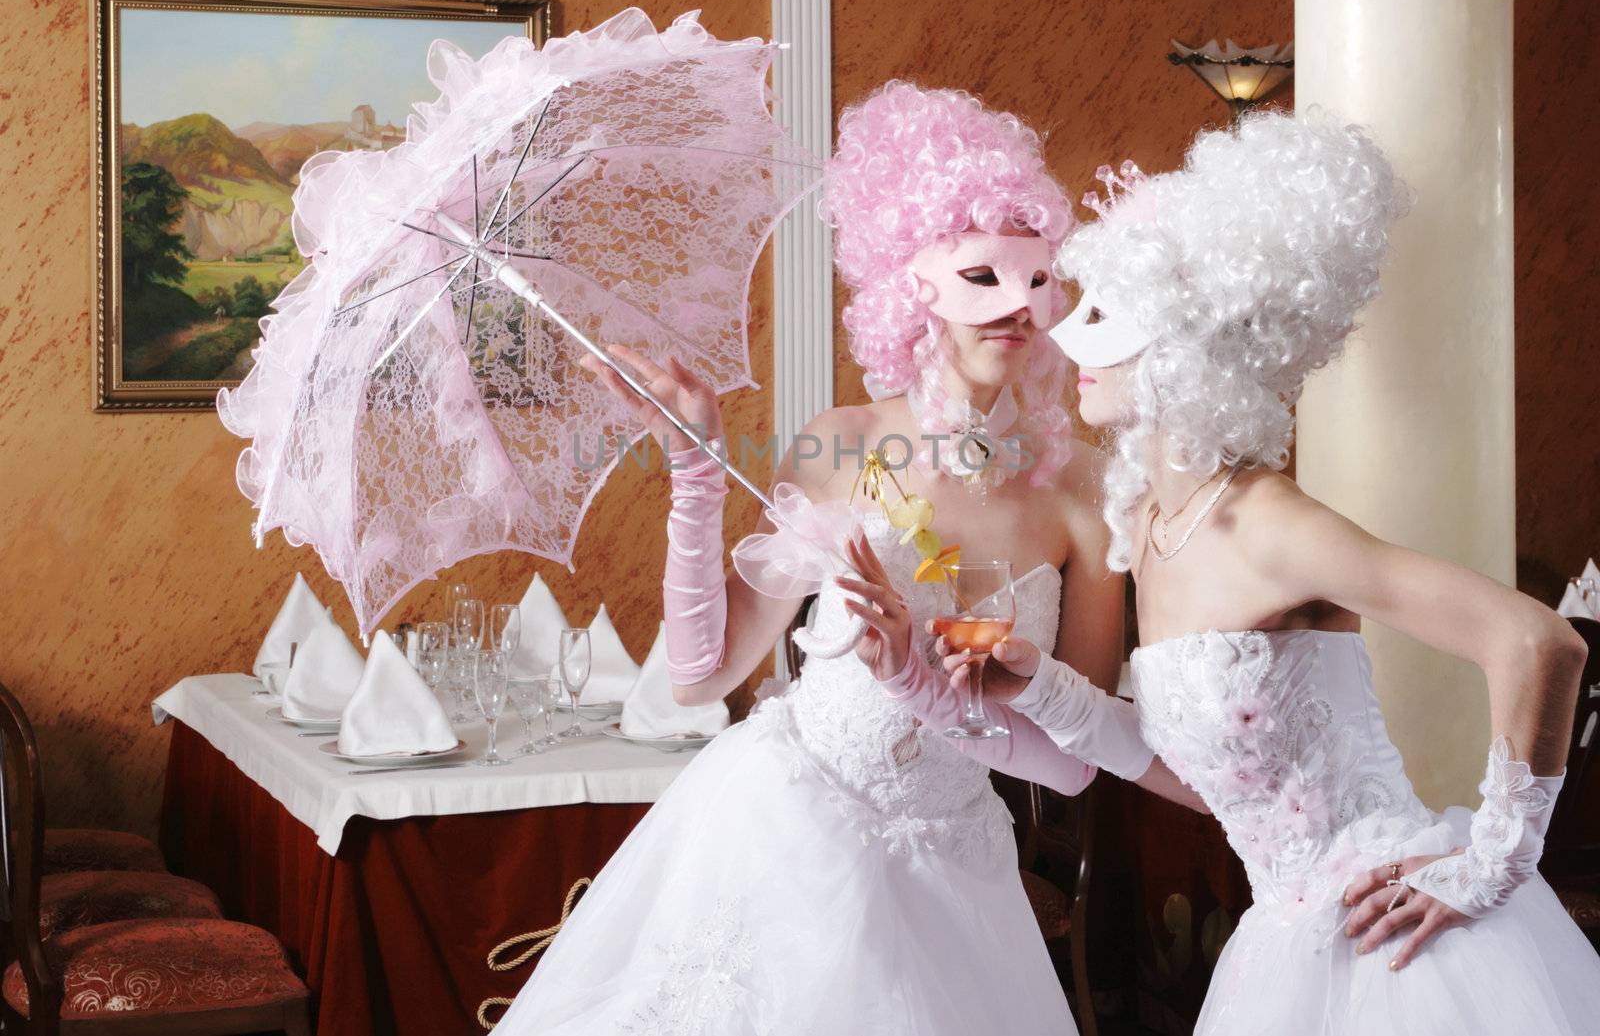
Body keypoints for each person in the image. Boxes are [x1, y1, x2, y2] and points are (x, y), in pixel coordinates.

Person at [490, 81, 1179, 1035]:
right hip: (783, 829)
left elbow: (1074, 766)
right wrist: (694, 474)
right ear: (912, 283)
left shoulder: (1085, 496)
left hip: (956, 868)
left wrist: (933, 689)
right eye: (980, 274)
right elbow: (703, 672)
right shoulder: (842, 444)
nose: (1015, 304)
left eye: (1039, 277)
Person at [951, 109, 1600, 1034]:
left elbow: (1539, 640)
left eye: (1105, 314)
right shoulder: (1151, 525)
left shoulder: (1268, 521)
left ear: (1187, 340)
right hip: (1286, 938)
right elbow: (1196, 776)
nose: (1066, 339)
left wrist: (1490, 864)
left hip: (1395, 946)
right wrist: (1038, 689)